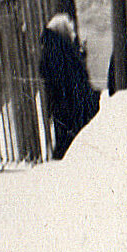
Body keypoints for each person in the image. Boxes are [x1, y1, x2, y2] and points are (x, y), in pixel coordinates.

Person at [38, 13, 99, 159]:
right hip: (70, 105)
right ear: (62, 30)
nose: (72, 33)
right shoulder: (60, 49)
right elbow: (71, 77)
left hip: (63, 105)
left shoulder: (53, 47)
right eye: (70, 30)